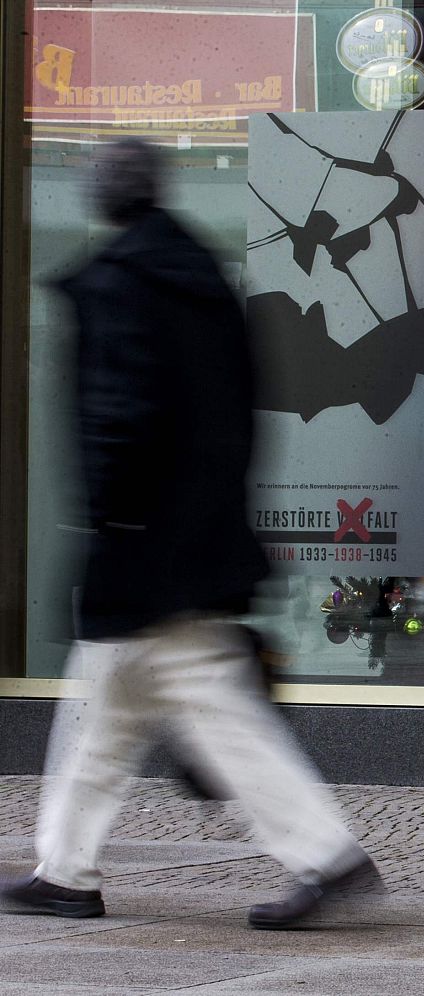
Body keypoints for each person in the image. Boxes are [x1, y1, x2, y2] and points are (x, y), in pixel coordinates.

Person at [1, 139, 379, 929]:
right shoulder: (201, 276)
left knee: (199, 707)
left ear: (107, 197)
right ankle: (64, 868)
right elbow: (242, 407)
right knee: (107, 712)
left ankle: (323, 853)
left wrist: (118, 520)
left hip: (144, 548)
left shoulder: (120, 282)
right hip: (196, 534)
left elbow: (119, 416)